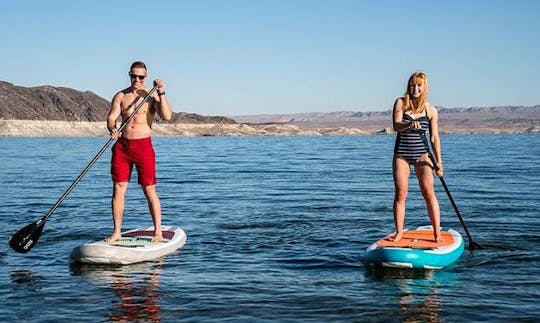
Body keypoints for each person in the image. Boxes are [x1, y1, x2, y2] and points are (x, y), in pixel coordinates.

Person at [106, 61, 172, 242]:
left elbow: (167, 116)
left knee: (149, 189)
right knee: (118, 189)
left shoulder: (151, 96)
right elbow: (112, 118)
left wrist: (161, 92)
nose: (137, 79)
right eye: (133, 76)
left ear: (146, 77)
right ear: (129, 75)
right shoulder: (120, 96)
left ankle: (158, 231)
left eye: (141, 77)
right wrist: (112, 128)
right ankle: (117, 232)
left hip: (143, 146)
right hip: (122, 146)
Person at [391, 71, 443, 242]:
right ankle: (399, 232)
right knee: (401, 193)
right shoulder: (400, 103)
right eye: (413, 84)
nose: (415, 88)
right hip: (402, 155)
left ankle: (437, 233)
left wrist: (439, 162)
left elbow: (434, 137)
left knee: (428, 193)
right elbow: (396, 126)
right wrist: (408, 123)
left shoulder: (431, 110)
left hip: (423, 156)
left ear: (424, 87)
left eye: (419, 85)